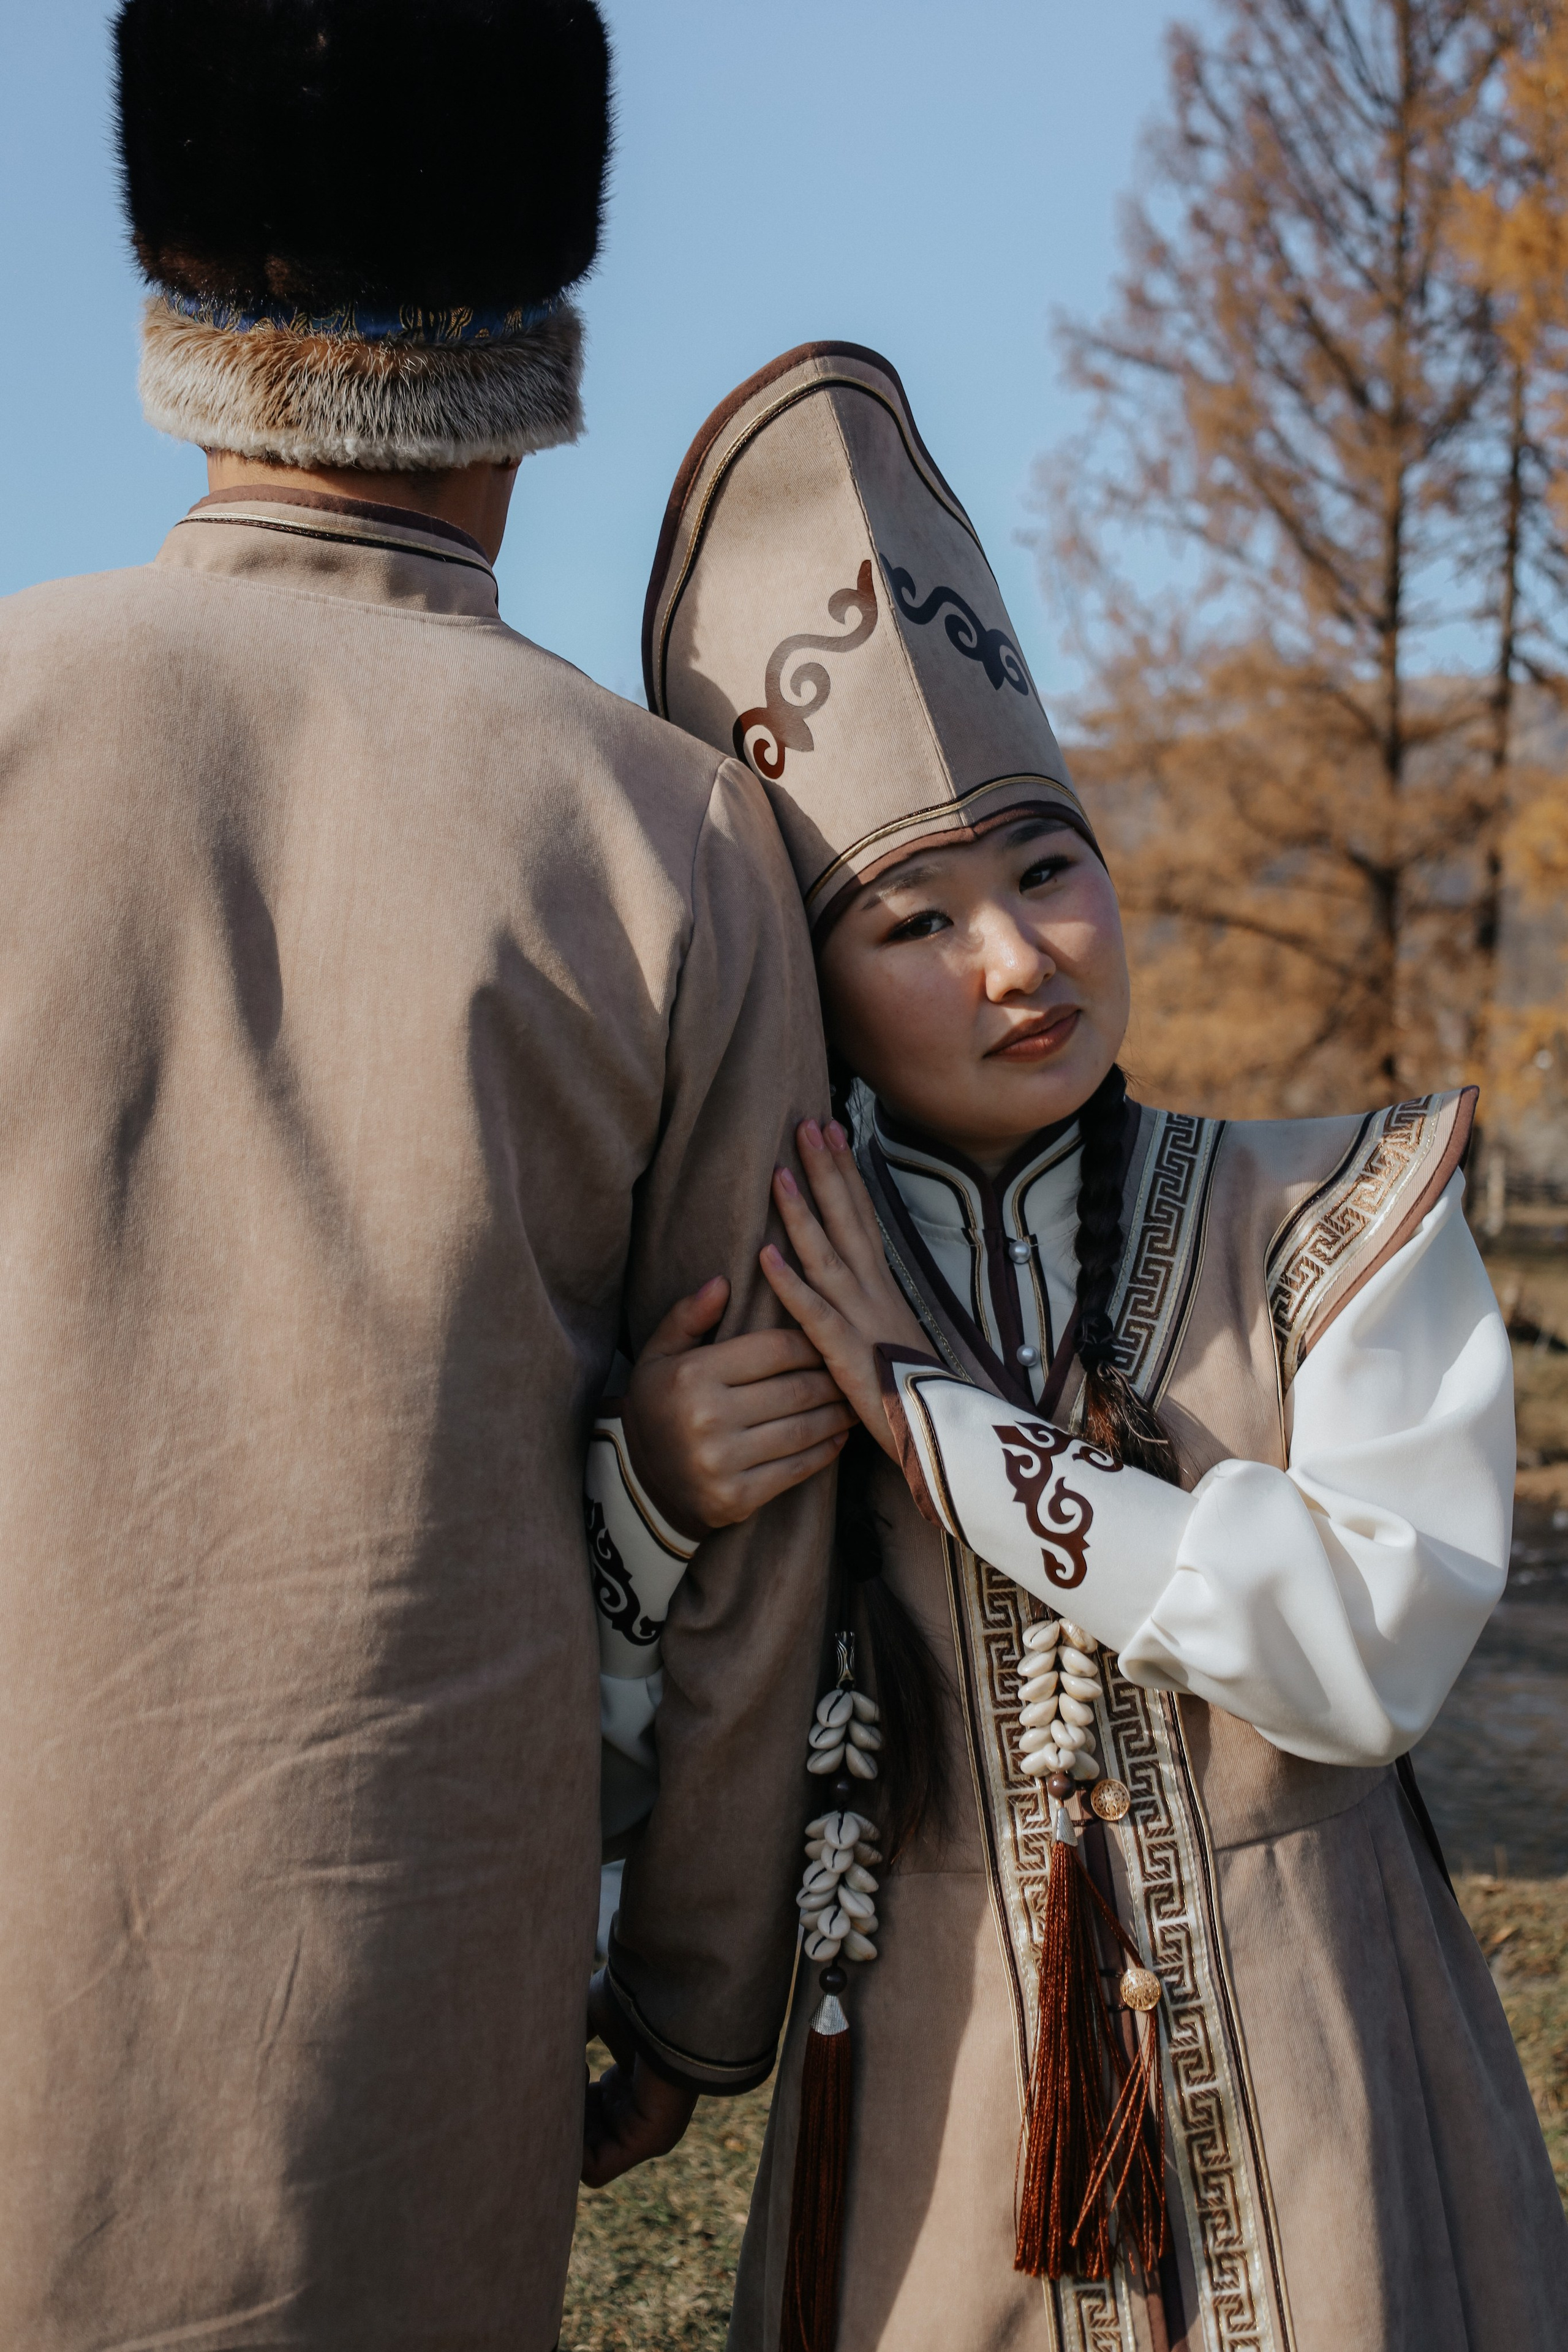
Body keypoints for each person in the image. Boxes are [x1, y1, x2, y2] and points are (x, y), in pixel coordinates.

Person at [592, 344, 1568, 2351]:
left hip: (1334, 2081)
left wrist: (943, 1433)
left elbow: (1373, 1651)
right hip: (941, 2127)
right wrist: (650, 1494)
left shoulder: (1341, 1211)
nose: (1022, 959)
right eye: (918, 921)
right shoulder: (778, 1278)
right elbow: (650, 1717)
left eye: (1047, 869)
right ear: (819, 986)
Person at [0, 12, 835, 2346]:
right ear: (531, 372)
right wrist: (691, 1986)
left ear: (169, 300)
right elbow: (756, 1487)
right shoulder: (666, 831)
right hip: (405, 1976)